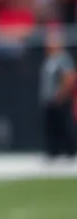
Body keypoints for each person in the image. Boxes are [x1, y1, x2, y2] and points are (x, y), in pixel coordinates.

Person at [39, 29, 76, 160]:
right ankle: (53, 151)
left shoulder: (63, 58)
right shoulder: (49, 59)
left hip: (60, 100)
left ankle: (70, 151)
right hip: (49, 99)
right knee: (50, 126)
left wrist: (61, 93)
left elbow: (70, 76)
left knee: (64, 125)